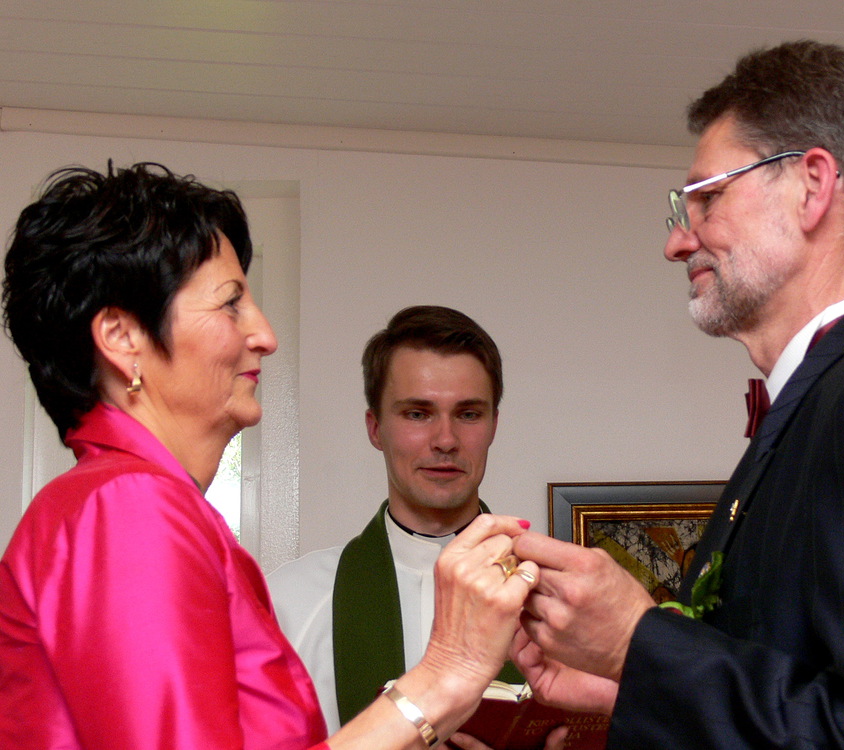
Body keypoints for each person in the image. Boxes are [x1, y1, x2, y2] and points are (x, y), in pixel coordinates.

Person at [510, 40, 844, 748]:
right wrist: (632, 683)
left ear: (811, 186)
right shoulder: (814, 413)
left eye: (707, 198)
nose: (678, 243)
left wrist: (642, 643)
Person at [0, 162, 541, 750]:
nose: (264, 334)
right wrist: (443, 679)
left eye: (469, 414)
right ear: (122, 337)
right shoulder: (126, 507)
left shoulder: (121, 501)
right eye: (231, 303)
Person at [269, 306, 565, 749]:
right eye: (417, 414)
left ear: (493, 426)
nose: (445, 440)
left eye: (468, 414)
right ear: (375, 428)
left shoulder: (559, 599)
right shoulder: (288, 602)